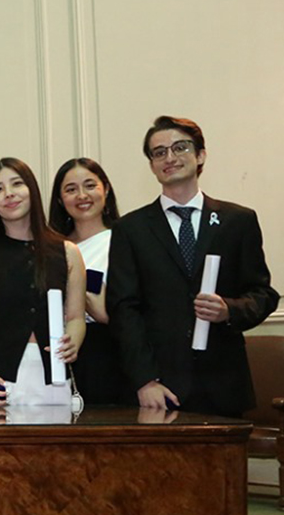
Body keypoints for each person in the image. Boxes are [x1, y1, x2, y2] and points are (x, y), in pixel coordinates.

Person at [108, 116, 278, 417]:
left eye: (180, 148)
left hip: (223, 383)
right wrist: (145, 380)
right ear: (152, 165)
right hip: (159, 388)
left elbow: (262, 294)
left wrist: (229, 310)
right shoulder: (130, 229)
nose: (170, 158)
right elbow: (124, 308)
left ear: (200, 155)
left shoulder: (237, 221)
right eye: (159, 152)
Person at [0, 157, 86, 420]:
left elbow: (75, 317)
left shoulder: (67, 251)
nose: (9, 194)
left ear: (32, 190)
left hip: (50, 377)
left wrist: (74, 339)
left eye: (17, 184)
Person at [48, 157, 128, 404]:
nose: (82, 196)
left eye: (90, 186)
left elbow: (112, 312)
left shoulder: (124, 242)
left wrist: (77, 287)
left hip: (105, 354)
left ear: (106, 189)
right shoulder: (51, 248)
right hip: (54, 350)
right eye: (71, 189)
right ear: (60, 199)